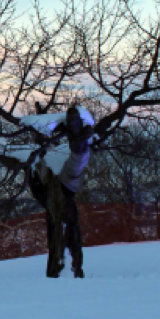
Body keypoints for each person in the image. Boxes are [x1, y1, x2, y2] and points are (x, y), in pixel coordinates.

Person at [28, 106, 94, 279]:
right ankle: (66, 268)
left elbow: (78, 159)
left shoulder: (66, 167)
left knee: (64, 224)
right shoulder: (47, 169)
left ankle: (66, 269)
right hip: (60, 183)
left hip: (64, 183)